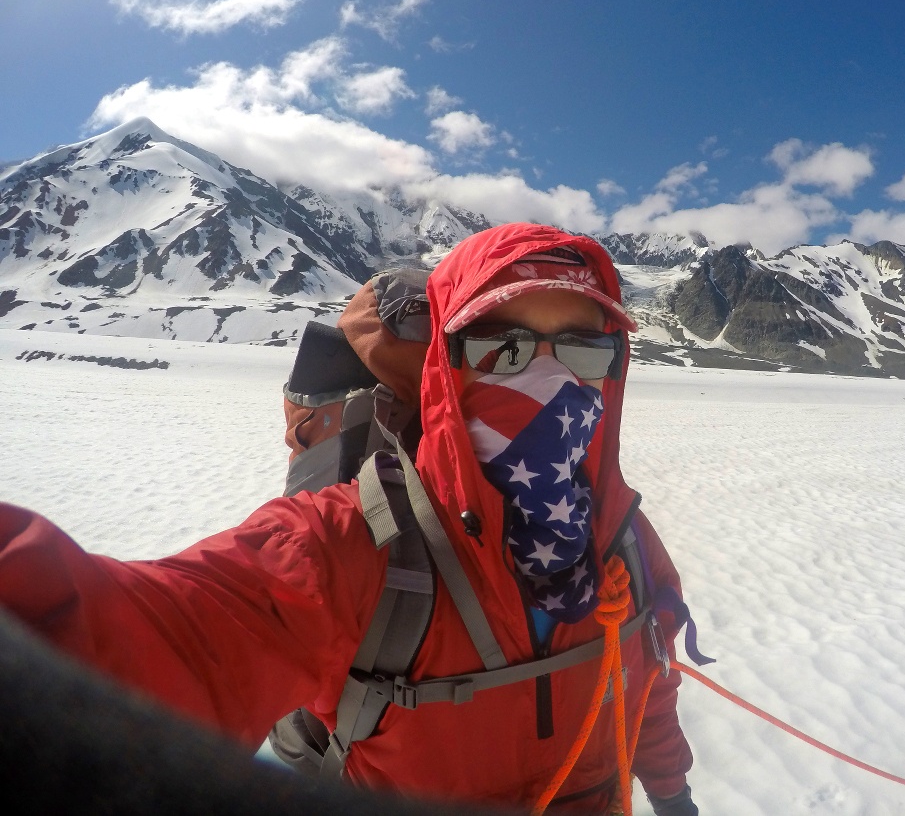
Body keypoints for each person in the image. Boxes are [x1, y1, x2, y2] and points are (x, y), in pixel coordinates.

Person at [0, 222, 699, 816]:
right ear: (446, 372)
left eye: (583, 348)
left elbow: (648, 679)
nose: (552, 382)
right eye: (504, 350)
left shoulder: (623, 544)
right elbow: (148, 639)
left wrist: (673, 796)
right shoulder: (347, 550)